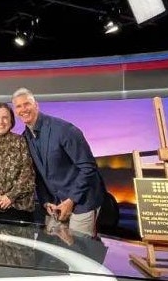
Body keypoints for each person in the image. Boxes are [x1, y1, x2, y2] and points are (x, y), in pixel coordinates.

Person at [11, 87, 105, 237]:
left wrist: (71, 200)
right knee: (59, 253)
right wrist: (46, 202)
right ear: (15, 111)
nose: (23, 109)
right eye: (18, 106)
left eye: (27, 104)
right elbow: (39, 175)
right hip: (56, 205)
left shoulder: (63, 129)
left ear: (36, 105)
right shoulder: (25, 137)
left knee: (80, 252)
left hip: (82, 201)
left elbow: (88, 167)